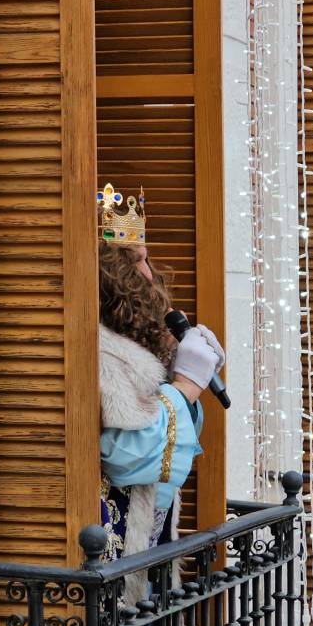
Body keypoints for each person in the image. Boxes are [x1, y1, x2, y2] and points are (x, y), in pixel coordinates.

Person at [95, 184, 223, 599]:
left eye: (146, 260)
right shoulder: (101, 348)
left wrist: (180, 364)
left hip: (153, 522)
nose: (150, 275)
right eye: (138, 262)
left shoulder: (137, 339)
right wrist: (184, 388)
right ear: (113, 276)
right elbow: (127, 455)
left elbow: (182, 435)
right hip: (113, 531)